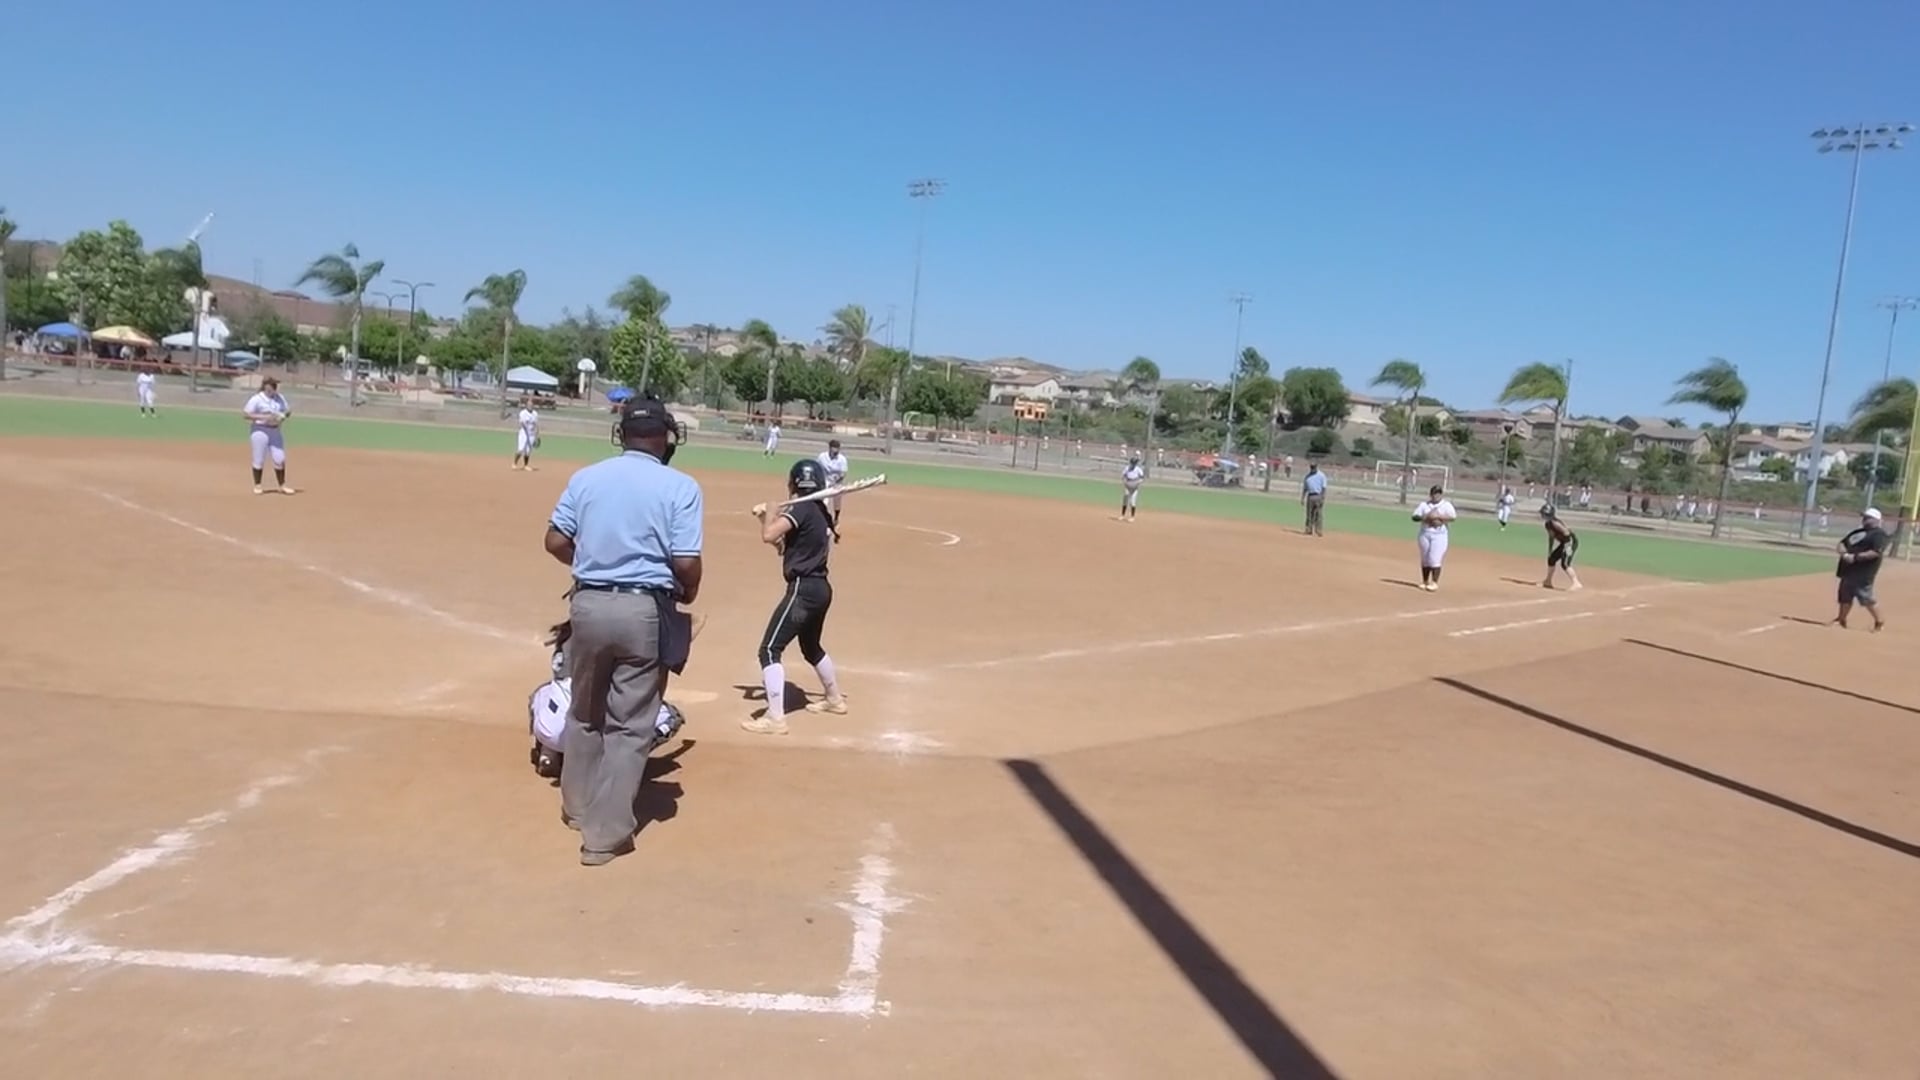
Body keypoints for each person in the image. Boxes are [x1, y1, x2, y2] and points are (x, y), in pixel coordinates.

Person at [543, 395, 704, 866]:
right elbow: (685, 561)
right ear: (668, 437)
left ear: (621, 434)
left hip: (587, 605)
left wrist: (595, 563)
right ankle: (604, 835)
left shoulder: (586, 478)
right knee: (630, 725)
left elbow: (555, 540)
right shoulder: (681, 486)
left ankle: (576, 807)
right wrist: (689, 591)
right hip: (643, 610)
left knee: (584, 711)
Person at [743, 459, 847, 735]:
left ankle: (776, 718)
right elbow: (782, 547)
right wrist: (765, 517)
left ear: (794, 483)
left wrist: (770, 511)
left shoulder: (801, 508)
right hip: (820, 589)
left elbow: (768, 535)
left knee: (769, 650)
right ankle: (834, 699)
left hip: (803, 589)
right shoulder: (820, 511)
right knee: (811, 646)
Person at [527, 619, 686, 779]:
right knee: (671, 717)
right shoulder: (611, 645)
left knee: (543, 693)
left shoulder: (567, 637)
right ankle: (621, 761)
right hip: (589, 738)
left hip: (548, 731)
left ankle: (548, 753)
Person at [1833, 507, 1889, 632]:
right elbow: (1842, 543)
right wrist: (1844, 553)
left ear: (1876, 520)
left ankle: (1879, 621)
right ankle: (1841, 619)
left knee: (1866, 598)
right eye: (1864, 517)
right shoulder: (1857, 532)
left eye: (1868, 518)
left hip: (1863, 572)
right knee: (1845, 596)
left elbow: (1875, 552)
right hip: (1848, 570)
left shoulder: (1879, 534)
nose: (1865, 520)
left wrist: (1855, 557)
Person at [243, 377, 296, 495]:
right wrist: (264, 417)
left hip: (275, 430)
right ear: (266, 386)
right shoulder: (257, 399)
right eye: (272, 384)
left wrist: (283, 415)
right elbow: (246, 414)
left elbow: (287, 410)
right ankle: (257, 485)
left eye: (275, 384)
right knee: (259, 458)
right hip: (260, 430)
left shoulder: (279, 398)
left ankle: (282, 485)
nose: (274, 387)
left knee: (280, 458)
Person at [1410, 483, 1456, 591]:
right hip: (1425, 533)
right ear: (1431, 494)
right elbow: (1414, 517)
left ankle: (1434, 582)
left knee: (1434, 558)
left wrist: (1439, 517)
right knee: (1425, 558)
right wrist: (1426, 518)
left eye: (1438, 493)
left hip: (1439, 535)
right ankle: (1425, 581)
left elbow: (1453, 517)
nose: (1436, 496)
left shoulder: (1446, 505)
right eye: (1434, 493)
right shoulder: (1424, 505)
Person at [1540, 504, 1583, 590]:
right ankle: (1548, 581)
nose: (1542, 515)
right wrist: (1550, 550)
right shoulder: (1548, 525)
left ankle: (1576, 583)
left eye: (1544, 514)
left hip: (1570, 542)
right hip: (1564, 543)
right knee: (1552, 559)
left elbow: (1567, 534)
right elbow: (1551, 537)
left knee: (1565, 563)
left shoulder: (1555, 523)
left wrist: (1567, 548)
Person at [816, 439, 850, 539]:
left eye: (837, 448)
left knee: (837, 500)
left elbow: (843, 474)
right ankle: (822, 521)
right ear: (830, 448)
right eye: (834, 448)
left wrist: (836, 482)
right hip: (824, 481)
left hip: (836, 482)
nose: (836, 450)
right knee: (824, 502)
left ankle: (836, 518)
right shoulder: (822, 457)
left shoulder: (842, 459)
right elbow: (816, 467)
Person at [513, 396, 541, 471]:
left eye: (532, 405)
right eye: (529, 405)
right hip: (524, 433)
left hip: (531, 434)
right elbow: (521, 423)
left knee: (528, 451)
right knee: (521, 449)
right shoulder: (523, 413)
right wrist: (526, 433)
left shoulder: (535, 413)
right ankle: (514, 463)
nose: (530, 406)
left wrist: (537, 435)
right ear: (526, 405)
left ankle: (526, 465)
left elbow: (536, 425)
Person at [1301, 464, 1328, 536]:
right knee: (1309, 514)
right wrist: (1302, 498)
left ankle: (1318, 530)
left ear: (1316, 467)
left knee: (1318, 514)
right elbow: (1305, 488)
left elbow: (1324, 487)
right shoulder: (1307, 477)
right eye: (1311, 468)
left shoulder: (1321, 476)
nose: (1312, 469)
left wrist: (1322, 497)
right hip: (1310, 496)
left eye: (1314, 468)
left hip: (1318, 495)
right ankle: (1308, 529)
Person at [1118, 456, 1145, 522]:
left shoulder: (1138, 469)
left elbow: (1142, 477)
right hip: (1128, 485)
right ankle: (1122, 515)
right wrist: (1124, 481)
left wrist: (1138, 483)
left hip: (1134, 486)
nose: (1133, 464)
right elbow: (1123, 475)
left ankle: (1132, 517)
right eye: (1132, 462)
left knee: (1132, 502)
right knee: (1125, 500)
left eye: (1134, 463)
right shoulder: (1127, 468)